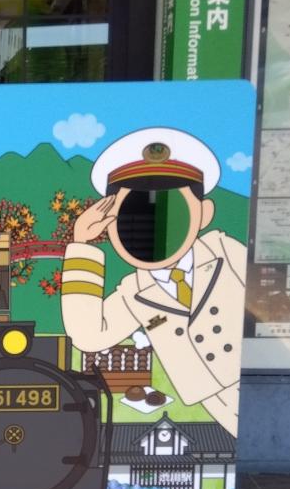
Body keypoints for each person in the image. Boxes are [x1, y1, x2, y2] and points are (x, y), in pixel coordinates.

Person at [60, 127, 246, 436]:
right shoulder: (135, 291)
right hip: (214, 399)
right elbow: (88, 335)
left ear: (204, 214)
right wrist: (82, 245)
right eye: (133, 214)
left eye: (172, 209)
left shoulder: (224, 251)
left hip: (252, 380)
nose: (151, 226)